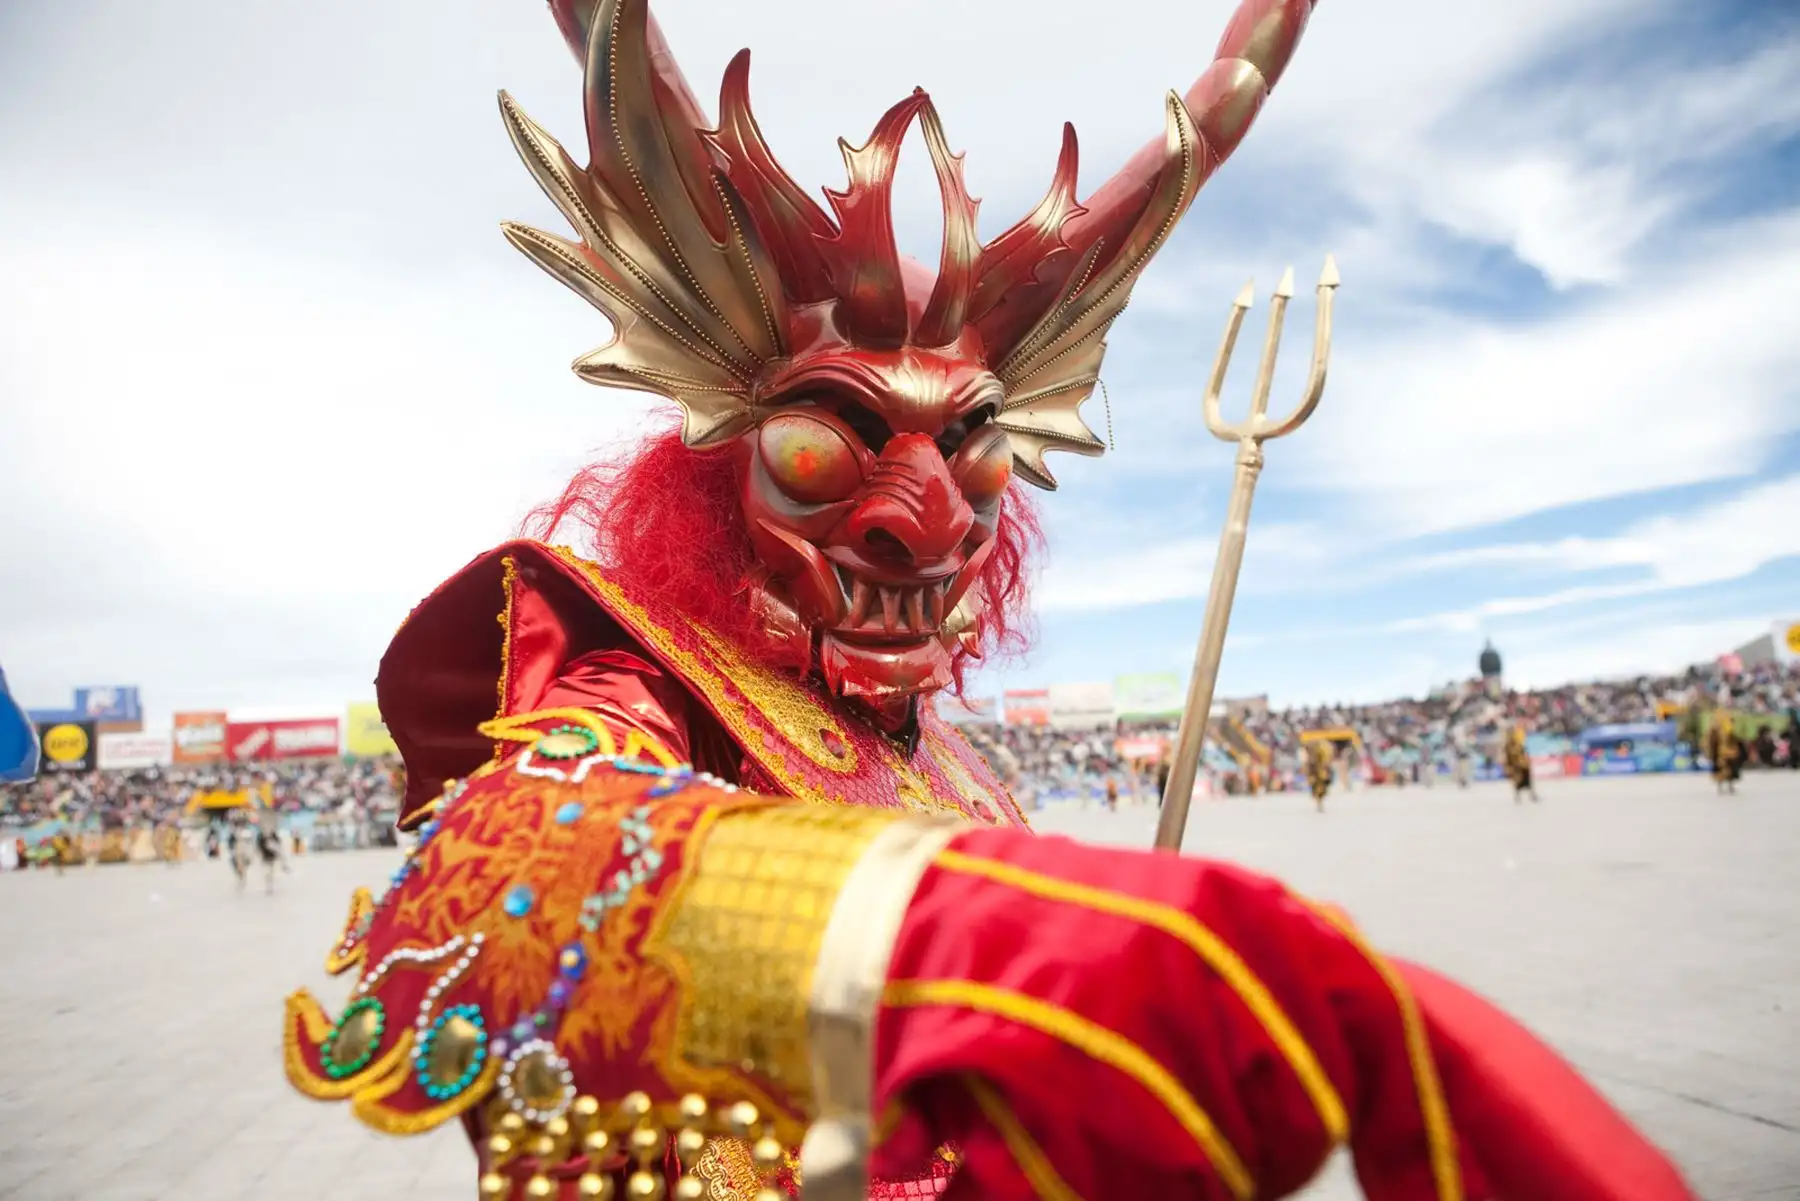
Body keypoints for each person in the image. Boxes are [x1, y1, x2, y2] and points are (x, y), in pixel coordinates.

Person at [283, 1, 1693, 1197]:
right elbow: (516, 858)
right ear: (725, 452)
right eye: (827, 446)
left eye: (975, 451)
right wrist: (979, 946)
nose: (925, 516)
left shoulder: (953, 762)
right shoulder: (643, 680)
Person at [1705, 713, 1743, 795]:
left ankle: (1728, 786)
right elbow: (1712, 742)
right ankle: (1723, 786)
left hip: (1729, 753)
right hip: (1722, 754)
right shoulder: (1718, 731)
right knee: (1722, 770)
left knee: (1730, 771)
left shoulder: (1729, 730)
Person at [1503, 725, 1539, 804]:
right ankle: (1518, 796)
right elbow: (1507, 758)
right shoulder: (1507, 746)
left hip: (1523, 765)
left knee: (1528, 782)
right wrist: (1508, 767)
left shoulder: (1518, 743)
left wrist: (1526, 762)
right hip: (1516, 767)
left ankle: (1532, 795)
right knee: (1517, 782)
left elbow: (1524, 753)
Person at [1305, 740, 1332, 812]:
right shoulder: (1310, 757)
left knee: (1320, 789)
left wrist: (1325, 772)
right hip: (1316, 775)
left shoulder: (1323, 753)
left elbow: (1326, 764)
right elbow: (1308, 767)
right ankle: (1319, 802)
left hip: (1320, 774)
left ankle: (1320, 802)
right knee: (1316, 789)